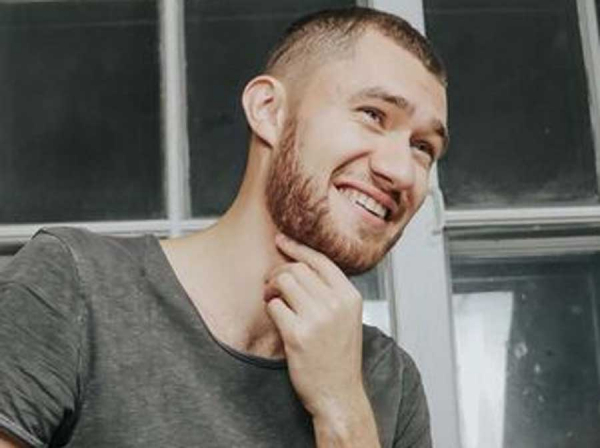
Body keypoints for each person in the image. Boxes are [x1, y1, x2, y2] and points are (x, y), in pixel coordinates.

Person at [0, 6, 448, 448]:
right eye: (373, 115)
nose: (401, 172)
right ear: (268, 110)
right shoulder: (74, 286)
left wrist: (342, 410)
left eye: (423, 147)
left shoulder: (390, 384)